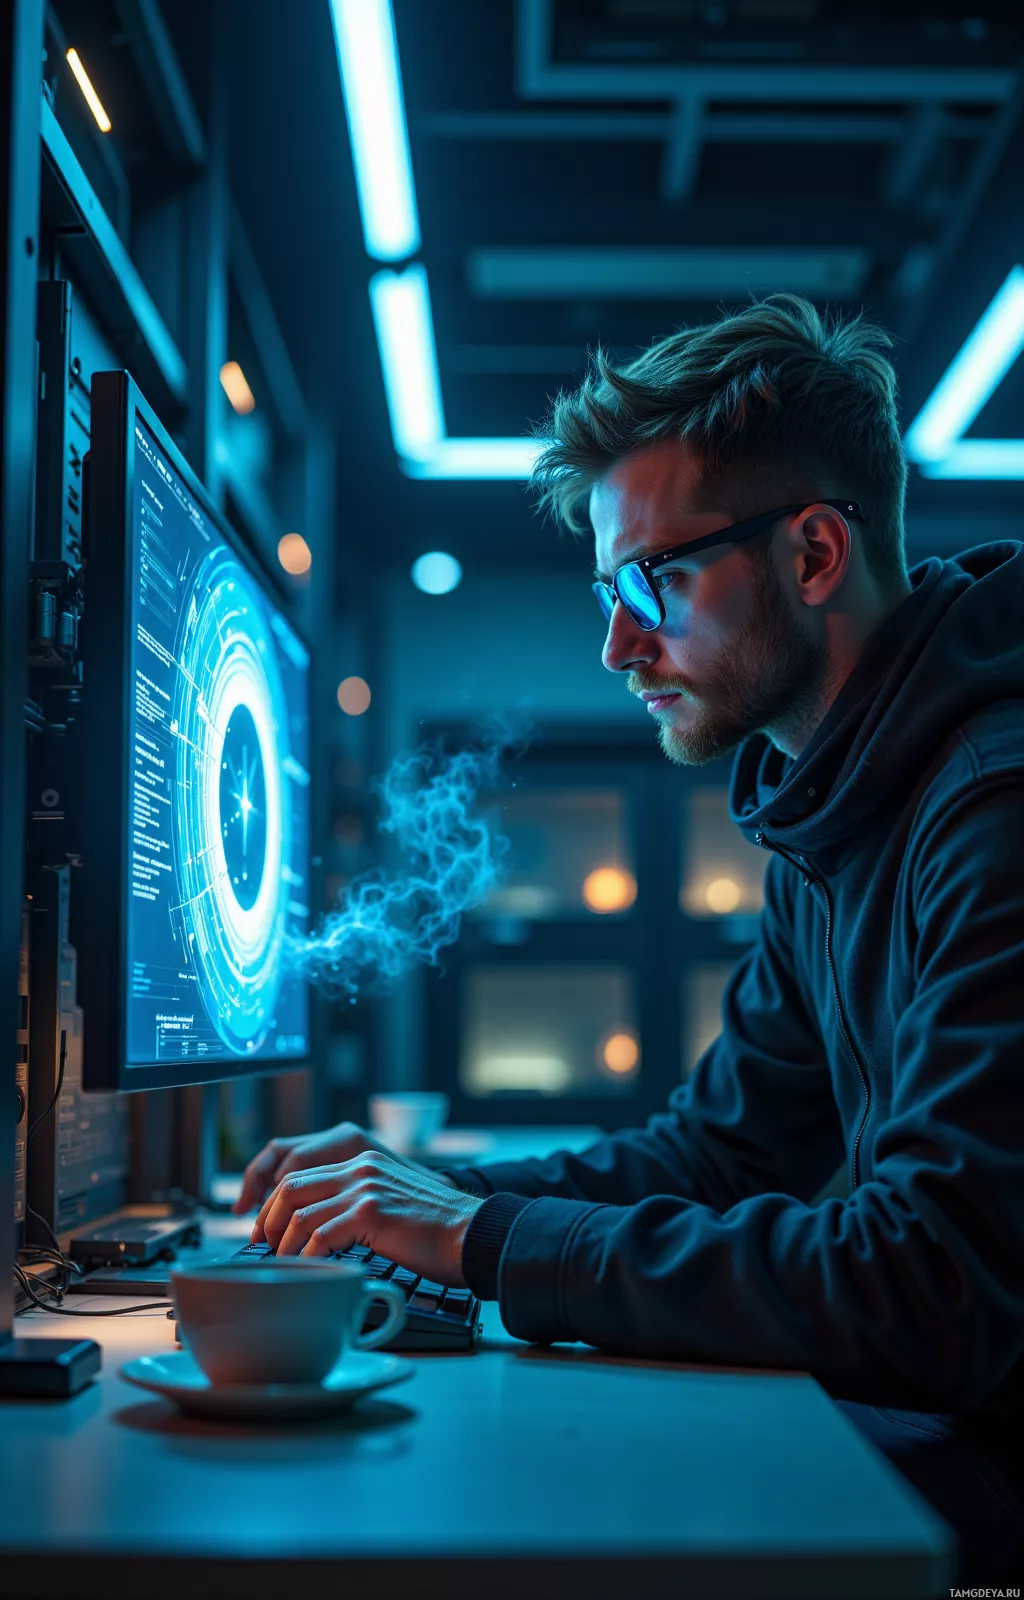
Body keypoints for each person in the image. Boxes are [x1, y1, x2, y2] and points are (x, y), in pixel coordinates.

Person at [236, 296, 1023, 1585]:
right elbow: (718, 1152)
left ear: (815, 553)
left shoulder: (991, 805)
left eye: (652, 581)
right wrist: (428, 1203)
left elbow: (930, 1287)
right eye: (608, 590)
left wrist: (480, 1244)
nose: (617, 643)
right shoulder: (835, 809)